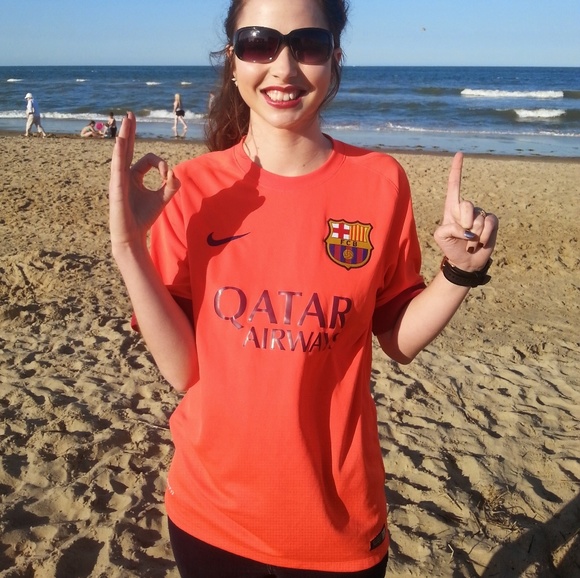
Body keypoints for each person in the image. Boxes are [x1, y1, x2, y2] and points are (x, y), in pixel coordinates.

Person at [109, 0, 498, 576]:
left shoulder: (380, 181)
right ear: (234, 59)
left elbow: (398, 339)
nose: (284, 68)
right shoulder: (192, 189)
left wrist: (458, 273)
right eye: (259, 43)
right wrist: (128, 246)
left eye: (308, 45)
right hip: (210, 515)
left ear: (335, 56)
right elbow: (183, 370)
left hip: (336, 526)